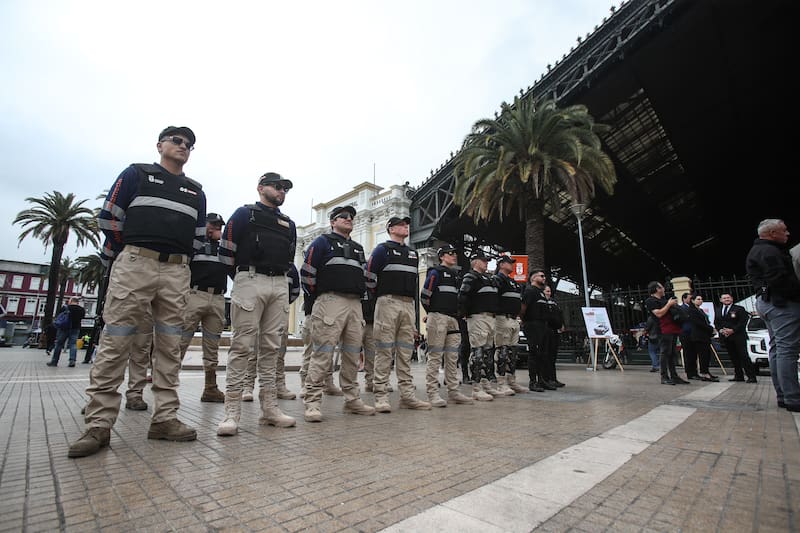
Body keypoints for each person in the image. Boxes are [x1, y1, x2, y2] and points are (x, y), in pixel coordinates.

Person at [68, 126, 205, 458]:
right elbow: (108, 218)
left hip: (177, 271)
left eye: (189, 144)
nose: (183, 146)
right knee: (116, 341)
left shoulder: (195, 191)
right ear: (160, 145)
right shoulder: (136, 174)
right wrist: (131, 251)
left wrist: (178, 260)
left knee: (170, 347)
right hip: (135, 264)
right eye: (176, 140)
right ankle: (99, 425)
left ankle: (165, 419)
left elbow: (199, 237)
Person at [215, 172, 298, 435]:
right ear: (261, 188)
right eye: (277, 186)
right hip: (249, 279)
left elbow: (290, 257)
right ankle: (232, 411)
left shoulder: (288, 223)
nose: (282, 191)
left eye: (285, 188)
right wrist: (242, 278)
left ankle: (270, 408)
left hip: (279, 283)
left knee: (272, 347)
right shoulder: (244, 214)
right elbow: (226, 251)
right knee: (242, 346)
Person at [300, 205, 375, 422]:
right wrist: (320, 297)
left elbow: (366, 277)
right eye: (343, 216)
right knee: (323, 352)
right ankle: (312, 402)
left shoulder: (358, 248)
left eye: (351, 216)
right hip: (330, 301)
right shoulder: (322, 242)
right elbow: (307, 273)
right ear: (333, 221)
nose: (349, 219)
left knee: (352, 353)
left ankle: (352, 399)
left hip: (355, 304)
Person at [366, 216, 431, 412]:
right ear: (391, 229)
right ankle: (381, 396)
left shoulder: (412, 254)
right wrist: (381, 297)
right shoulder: (382, 250)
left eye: (406, 225)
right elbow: (369, 277)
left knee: (405, 351)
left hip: (408, 304)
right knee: (384, 350)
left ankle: (407, 396)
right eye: (401, 225)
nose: (406, 227)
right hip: (388, 302)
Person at [745, 219, 800, 411]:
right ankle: (793, 397)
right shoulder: (769, 251)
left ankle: (784, 395)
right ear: (772, 233)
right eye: (784, 230)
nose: (788, 233)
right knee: (787, 350)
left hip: (768, 302)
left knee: (778, 348)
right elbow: (779, 279)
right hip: (780, 303)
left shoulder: (760, 250)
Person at [178, 212, 228, 403]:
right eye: (212, 225)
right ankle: (167, 384)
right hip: (194, 295)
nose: (216, 229)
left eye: (219, 226)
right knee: (180, 341)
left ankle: (210, 388)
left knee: (212, 346)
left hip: (217, 298)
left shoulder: (223, 249)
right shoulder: (193, 245)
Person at [420, 244, 474, 407]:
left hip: (453, 319)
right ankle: (432, 393)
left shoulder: (455, 275)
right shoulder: (435, 272)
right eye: (450, 254)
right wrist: (433, 312)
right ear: (442, 256)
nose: (453, 256)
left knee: (452, 357)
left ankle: (454, 392)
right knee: (435, 356)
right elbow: (425, 296)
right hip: (438, 317)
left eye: (454, 253)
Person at [457, 250, 499, 401]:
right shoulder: (470, 277)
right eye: (483, 260)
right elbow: (462, 296)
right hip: (477, 317)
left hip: (490, 318)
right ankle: (476, 388)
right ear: (475, 262)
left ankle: (486, 385)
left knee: (488, 353)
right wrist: (464, 313)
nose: (486, 263)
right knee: (478, 353)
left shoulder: (487, 278)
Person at [644, 281, 690, 386]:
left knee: (672, 353)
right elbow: (659, 314)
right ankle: (664, 376)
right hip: (663, 329)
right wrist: (669, 305)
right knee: (665, 353)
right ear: (657, 289)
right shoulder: (650, 301)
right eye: (662, 287)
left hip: (673, 328)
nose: (664, 289)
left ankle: (674, 376)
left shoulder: (664, 299)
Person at [493, 255, 527, 394]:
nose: (511, 265)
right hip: (502, 318)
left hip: (513, 319)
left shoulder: (513, 282)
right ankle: (501, 383)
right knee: (502, 351)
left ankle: (512, 381)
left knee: (512, 352)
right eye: (508, 263)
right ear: (501, 264)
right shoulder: (497, 279)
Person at [715, 293, 757, 383]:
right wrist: (721, 330)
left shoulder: (739, 309)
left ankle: (751, 376)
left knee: (744, 356)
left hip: (738, 336)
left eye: (728, 297)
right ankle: (739, 375)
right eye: (724, 298)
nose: (726, 299)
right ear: (721, 300)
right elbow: (716, 322)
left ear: (732, 299)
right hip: (726, 337)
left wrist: (733, 330)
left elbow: (743, 321)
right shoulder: (718, 310)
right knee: (733, 357)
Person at [519, 269, 550, 392]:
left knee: (542, 354)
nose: (544, 278)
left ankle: (541, 380)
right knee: (534, 353)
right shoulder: (529, 291)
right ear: (533, 278)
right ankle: (533, 382)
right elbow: (523, 307)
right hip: (532, 324)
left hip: (542, 325)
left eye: (544, 276)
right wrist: (524, 320)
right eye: (541, 276)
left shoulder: (541, 293)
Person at [686, 293, 718, 381]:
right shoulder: (692, 311)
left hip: (705, 335)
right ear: (693, 300)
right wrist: (710, 328)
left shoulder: (700, 310)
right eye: (698, 299)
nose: (700, 301)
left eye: (701, 299)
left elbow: (706, 321)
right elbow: (698, 323)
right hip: (698, 336)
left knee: (707, 354)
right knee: (703, 355)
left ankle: (706, 371)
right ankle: (704, 373)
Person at [46, 298, 86, 367]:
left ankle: (54, 361)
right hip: (75, 328)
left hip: (64, 328)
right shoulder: (81, 309)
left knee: (59, 344)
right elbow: (82, 317)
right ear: (77, 302)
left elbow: (60, 317)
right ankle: (72, 361)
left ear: (71, 301)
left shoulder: (65, 308)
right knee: (73, 344)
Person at [543, 285, 566, 388]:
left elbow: (560, 314)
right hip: (548, 330)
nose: (549, 293)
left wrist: (562, 324)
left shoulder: (554, 302)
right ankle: (547, 379)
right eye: (547, 291)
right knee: (547, 356)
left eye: (549, 291)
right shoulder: (543, 303)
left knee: (553, 356)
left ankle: (553, 378)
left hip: (555, 331)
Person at [678, 292, 699, 380]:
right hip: (686, 333)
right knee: (688, 354)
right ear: (684, 299)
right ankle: (690, 373)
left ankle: (695, 372)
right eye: (690, 298)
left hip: (694, 333)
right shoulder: (681, 308)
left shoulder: (693, 307)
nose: (691, 300)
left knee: (694, 354)